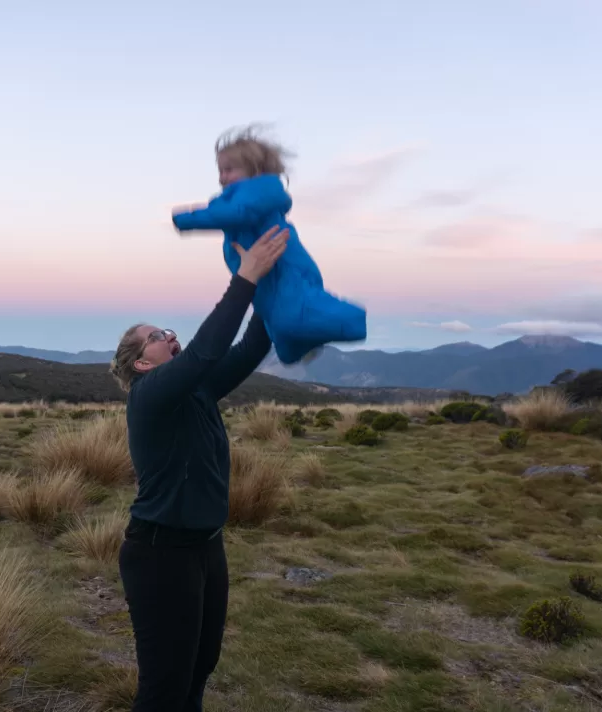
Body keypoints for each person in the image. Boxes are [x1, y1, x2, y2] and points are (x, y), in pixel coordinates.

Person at [109, 226, 289, 712]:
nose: (169, 336)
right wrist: (245, 278)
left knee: (200, 668)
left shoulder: (199, 390)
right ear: (141, 364)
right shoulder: (151, 396)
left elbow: (250, 347)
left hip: (207, 548)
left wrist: (271, 288)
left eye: (167, 330)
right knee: (164, 690)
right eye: (155, 337)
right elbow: (208, 348)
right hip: (159, 555)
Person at [171, 124, 367, 365]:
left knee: (290, 315)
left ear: (254, 170)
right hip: (264, 276)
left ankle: (356, 320)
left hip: (283, 268)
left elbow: (237, 213)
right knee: (275, 323)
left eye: (229, 170)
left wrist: (185, 219)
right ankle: (293, 348)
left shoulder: (258, 192)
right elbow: (228, 212)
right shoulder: (238, 197)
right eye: (220, 171)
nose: (222, 178)